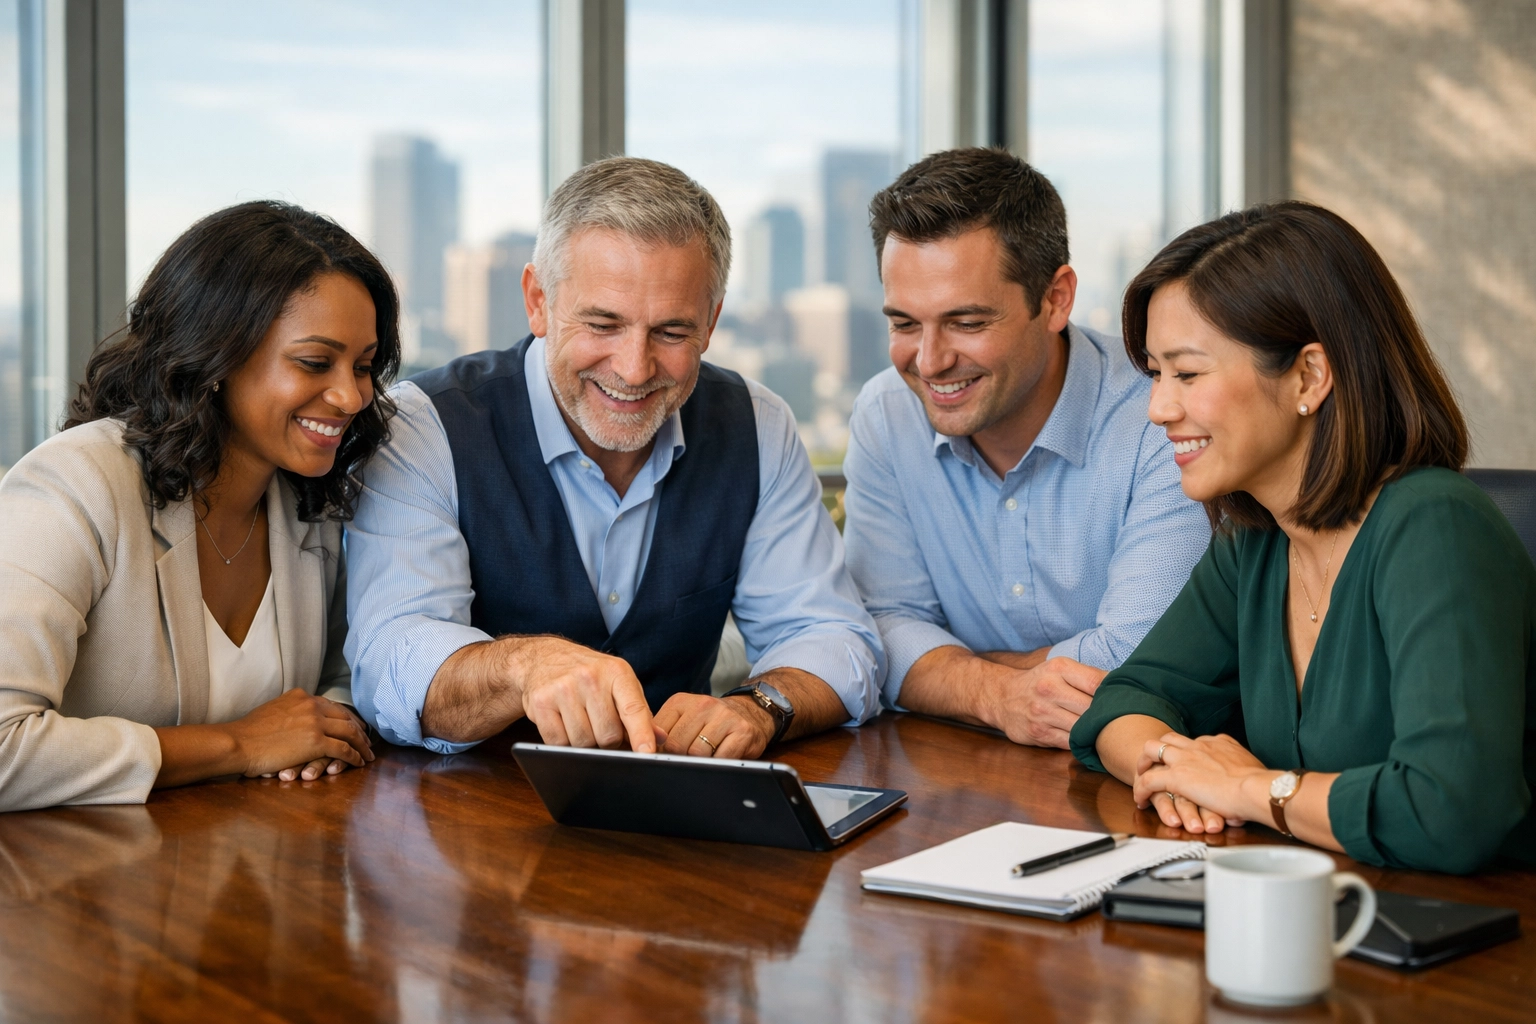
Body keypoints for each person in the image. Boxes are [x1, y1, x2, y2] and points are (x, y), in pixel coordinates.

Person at [346, 156, 883, 759]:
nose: (634, 368)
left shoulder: (758, 425)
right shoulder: (424, 426)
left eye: (672, 333)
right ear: (538, 301)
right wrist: (524, 666)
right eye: (603, 323)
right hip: (470, 813)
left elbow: (834, 636)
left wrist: (759, 708)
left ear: (711, 323)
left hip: (675, 810)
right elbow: (389, 663)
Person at [1070, 202, 1536, 874]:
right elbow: (1122, 703)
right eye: (1155, 374)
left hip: (1479, 946)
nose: (1159, 408)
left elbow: (1450, 811)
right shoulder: (1255, 543)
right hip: (1324, 914)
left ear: (1310, 376)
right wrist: (1177, 769)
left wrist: (1245, 789)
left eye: (1188, 374)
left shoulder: (1436, 526)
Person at [0, 200, 395, 811]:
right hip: (68, 883)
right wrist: (238, 745)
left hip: (250, 873)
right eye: (315, 362)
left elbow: (345, 679)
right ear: (215, 356)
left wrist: (323, 729)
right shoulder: (76, 484)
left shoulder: (308, 497)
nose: (350, 396)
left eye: (364, 366)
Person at [843, 148, 1209, 748]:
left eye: (967, 322)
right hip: (954, 779)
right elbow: (879, 632)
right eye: (905, 323)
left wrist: (943, 672)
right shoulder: (886, 414)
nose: (930, 362)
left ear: (1056, 299)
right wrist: (994, 695)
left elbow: (1136, 658)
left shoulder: (1160, 415)